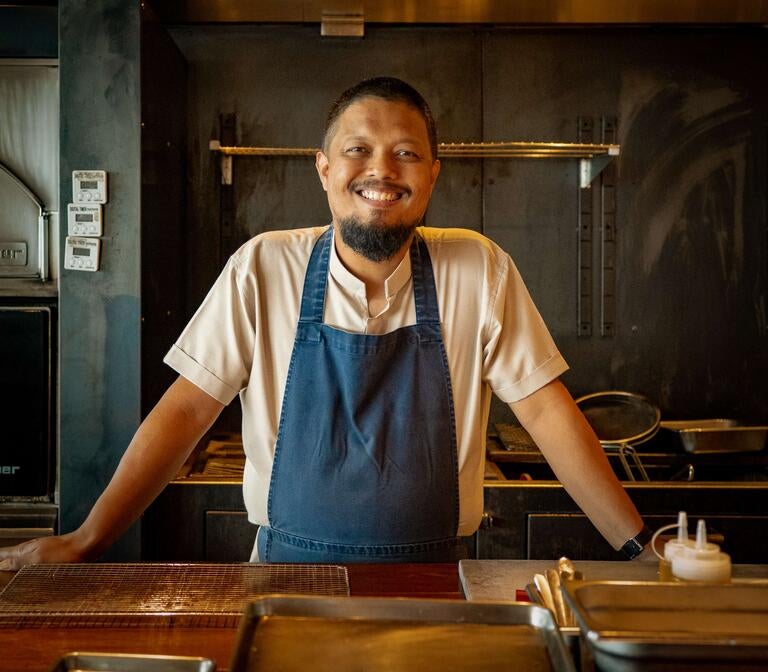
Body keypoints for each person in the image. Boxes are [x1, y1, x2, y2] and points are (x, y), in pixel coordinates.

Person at [0, 76, 653, 568]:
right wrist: (86, 540)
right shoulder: (264, 266)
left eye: (406, 153)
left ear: (432, 175)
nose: (380, 170)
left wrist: (639, 548)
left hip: (433, 588)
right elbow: (184, 413)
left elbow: (547, 413)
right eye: (358, 149)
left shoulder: (478, 270)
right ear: (325, 168)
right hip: (284, 585)